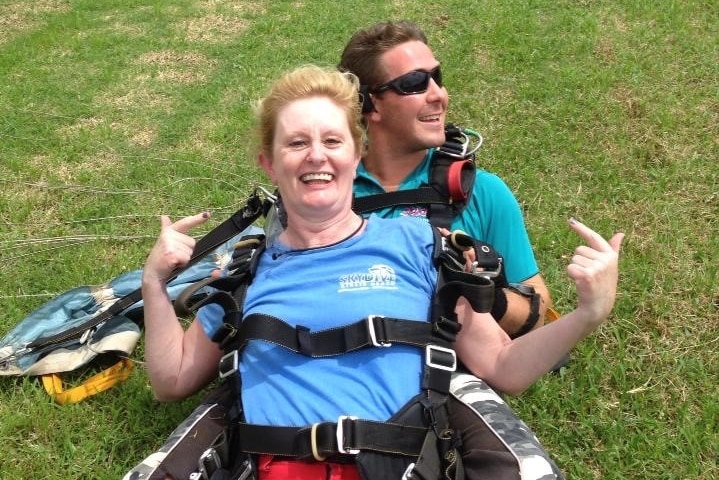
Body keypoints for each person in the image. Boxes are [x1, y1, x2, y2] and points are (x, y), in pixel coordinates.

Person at [140, 65, 623, 479]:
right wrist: (154, 285)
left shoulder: (421, 246)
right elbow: (173, 380)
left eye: (332, 140)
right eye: (296, 143)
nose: (316, 155)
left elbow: (502, 367)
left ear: (356, 153)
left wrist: (587, 314)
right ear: (269, 164)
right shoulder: (246, 271)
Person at [340, 20, 553, 338]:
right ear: (368, 103)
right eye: (415, 83)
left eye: (437, 78)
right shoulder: (330, 193)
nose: (439, 95)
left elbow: (536, 314)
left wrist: (483, 295)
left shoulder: (482, 192)